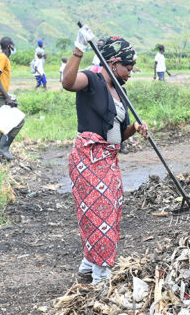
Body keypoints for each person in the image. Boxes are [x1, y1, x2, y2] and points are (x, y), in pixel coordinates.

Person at [62, 28, 149, 284]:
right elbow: (67, 83)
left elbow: (119, 134)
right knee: (99, 214)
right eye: (128, 67)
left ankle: (89, 264)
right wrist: (79, 49)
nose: (130, 73)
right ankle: (101, 275)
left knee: (110, 211)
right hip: (89, 158)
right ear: (114, 62)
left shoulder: (119, 91)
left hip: (109, 159)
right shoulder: (91, 80)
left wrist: (135, 128)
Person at [0, 36, 24, 163]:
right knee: (16, 121)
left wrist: (7, 95)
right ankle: (2, 149)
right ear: (10, 46)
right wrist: (7, 97)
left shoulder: (2, 58)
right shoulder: (2, 58)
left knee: (1, 125)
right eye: (13, 45)